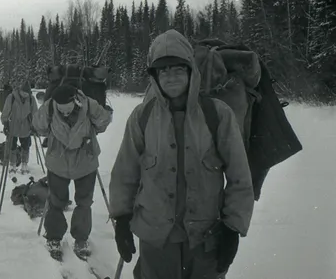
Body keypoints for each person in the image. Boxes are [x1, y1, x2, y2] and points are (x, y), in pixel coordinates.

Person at [108, 29, 255, 279]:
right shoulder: (141, 117)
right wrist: (121, 219)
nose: (171, 77)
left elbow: (240, 176)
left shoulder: (217, 114)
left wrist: (233, 228)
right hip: (156, 241)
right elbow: (125, 173)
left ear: (190, 71)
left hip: (206, 242)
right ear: (154, 76)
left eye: (177, 68)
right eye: (163, 70)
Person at [32, 84, 113, 261]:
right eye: (61, 110)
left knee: (84, 202)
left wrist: (100, 117)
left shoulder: (89, 105)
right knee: (55, 202)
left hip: (85, 162)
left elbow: (104, 121)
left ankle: (81, 239)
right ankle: (54, 237)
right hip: (58, 163)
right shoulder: (50, 107)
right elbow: (39, 126)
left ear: (75, 100)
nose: (65, 113)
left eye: (68, 110)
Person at [1, 81, 38, 174]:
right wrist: (5, 123)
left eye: (27, 93)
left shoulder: (31, 99)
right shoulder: (12, 97)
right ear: (20, 90)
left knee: (26, 146)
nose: (25, 94)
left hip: (26, 126)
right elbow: (6, 111)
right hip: (13, 125)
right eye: (24, 92)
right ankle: (12, 164)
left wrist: (35, 125)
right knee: (12, 146)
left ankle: (24, 164)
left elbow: (35, 113)